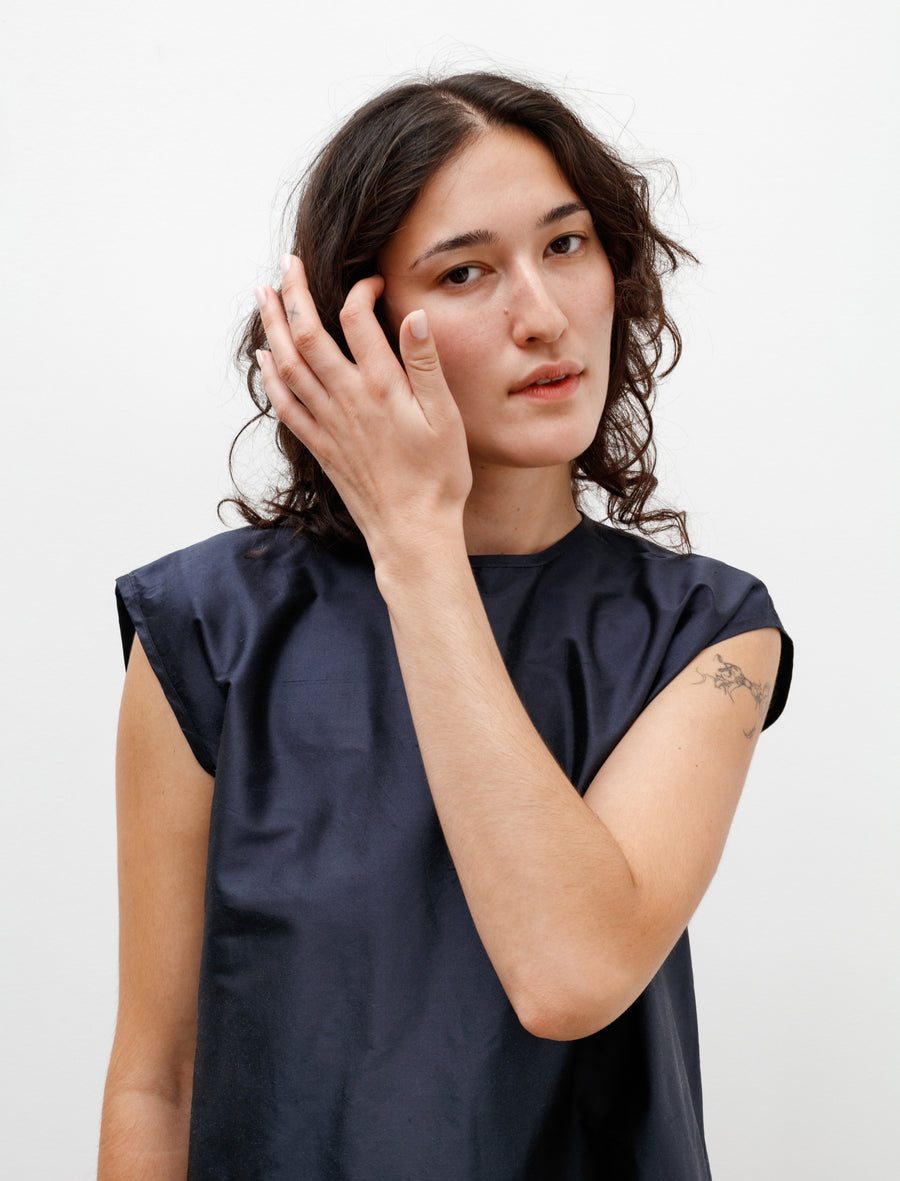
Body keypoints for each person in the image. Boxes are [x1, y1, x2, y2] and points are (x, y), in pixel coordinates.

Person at [98, 72, 792, 1180]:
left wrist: (419, 548)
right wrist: (409, 529)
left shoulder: (706, 633)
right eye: (465, 271)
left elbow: (568, 974)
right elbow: (158, 1076)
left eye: (566, 244)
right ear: (355, 327)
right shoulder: (206, 628)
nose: (543, 314)